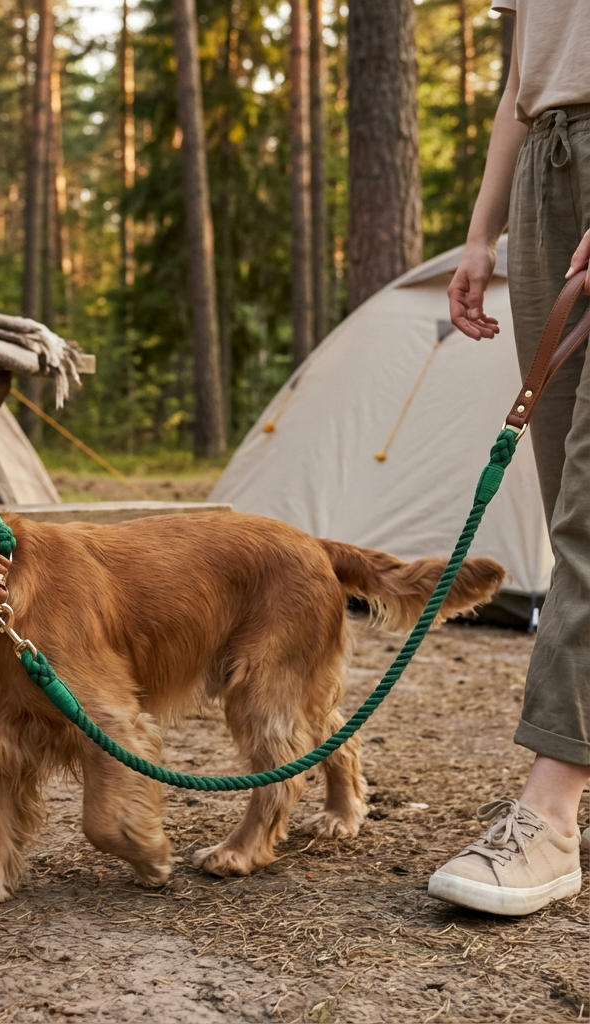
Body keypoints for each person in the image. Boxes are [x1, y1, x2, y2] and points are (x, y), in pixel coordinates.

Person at [427, 1, 590, 916]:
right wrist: (482, 232)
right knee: (568, 496)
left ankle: (552, 815)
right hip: (544, 172)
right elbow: (524, 79)